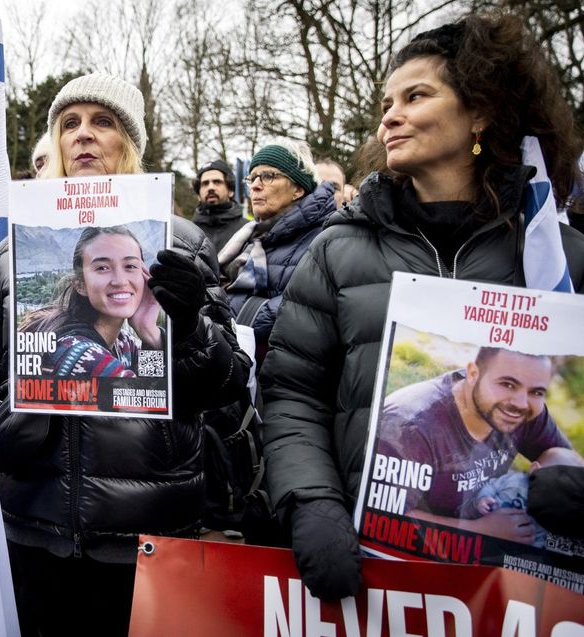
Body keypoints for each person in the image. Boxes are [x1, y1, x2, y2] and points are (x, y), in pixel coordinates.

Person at [259, 14, 584, 601]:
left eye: (416, 96)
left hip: (518, 599)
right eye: (387, 101)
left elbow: (552, 434)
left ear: (480, 112)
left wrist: (569, 474)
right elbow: (292, 392)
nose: (389, 115)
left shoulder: (560, 260)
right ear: (473, 371)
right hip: (372, 575)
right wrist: (310, 502)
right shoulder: (339, 249)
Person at [0, 72, 249, 635]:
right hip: (34, 522)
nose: (83, 135)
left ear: (129, 143)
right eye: (69, 124)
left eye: (102, 122)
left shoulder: (181, 240)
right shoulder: (12, 248)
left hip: (145, 531)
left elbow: (227, 389)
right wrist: (12, 422)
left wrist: (191, 327)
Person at [377, 347, 574, 541]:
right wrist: (476, 531)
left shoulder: (526, 413)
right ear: (472, 373)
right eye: (508, 384)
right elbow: (382, 517)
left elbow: (569, 467)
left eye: (536, 392)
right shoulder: (409, 427)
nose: (522, 403)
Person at [217, 142, 336, 367]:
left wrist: (224, 318)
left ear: (298, 189)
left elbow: (301, 310)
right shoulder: (251, 238)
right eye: (252, 179)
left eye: (268, 176)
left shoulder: (325, 239)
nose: (255, 186)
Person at [20, 225, 162, 378]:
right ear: (81, 285)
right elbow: (148, 398)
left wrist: (149, 333)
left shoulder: (123, 343)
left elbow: (152, 387)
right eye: (102, 268)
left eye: (130, 266)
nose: (120, 281)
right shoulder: (83, 356)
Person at [191, 159, 246, 252]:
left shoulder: (247, 230)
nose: (211, 187)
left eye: (217, 182)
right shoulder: (186, 232)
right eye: (205, 183)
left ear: (231, 191)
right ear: (198, 195)